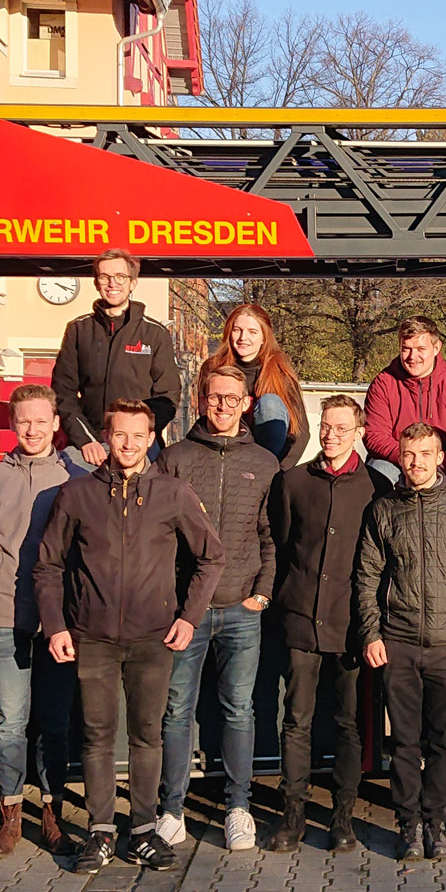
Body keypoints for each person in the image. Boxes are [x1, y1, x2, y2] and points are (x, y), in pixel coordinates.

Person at [38, 401, 224, 874]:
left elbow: (211, 559)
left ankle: (142, 830)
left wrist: (188, 618)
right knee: (97, 736)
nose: (128, 444)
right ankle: (100, 831)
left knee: (147, 735)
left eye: (137, 436)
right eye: (119, 434)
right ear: (106, 435)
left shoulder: (174, 494)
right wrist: (56, 625)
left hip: (153, 638)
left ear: (152, 437)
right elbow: (48, 565)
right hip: (92, 637)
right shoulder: (76, 494)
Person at [154, 365, 279, 853]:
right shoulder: (174, 458)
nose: (223, 405)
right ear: (201, 400)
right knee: (176, 710)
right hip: (185, 611)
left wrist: (262, 594)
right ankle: (171, 810)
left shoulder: (265, 463)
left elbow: (271, 537)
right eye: (214, 397)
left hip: (242, 608)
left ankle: (238, 807)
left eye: (232, 398)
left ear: (246, 403)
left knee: (239, 710)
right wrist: (172, 603)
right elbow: (158, 536)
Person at [354, 422, 446, 862]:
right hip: (399, 644)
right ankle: (408, 825)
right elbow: (367, 578)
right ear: (400, 456)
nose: (416, 462)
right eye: (409, 454)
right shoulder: (383, 510)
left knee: (442, 743)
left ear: (439, 458)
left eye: (425, 454)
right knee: (406, 743)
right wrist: (371, 633)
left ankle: (437, 824)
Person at [0, 383, 77, 857]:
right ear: (14, 425)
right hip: (6, 617)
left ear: (56, 423)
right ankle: (11, 814)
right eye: (23, 421)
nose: (32, 429)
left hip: (60, 624)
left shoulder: (78, 477)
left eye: (41, 420)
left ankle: (51, 812)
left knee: (54, 723)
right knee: (10, 723)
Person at [262, 394, 376, 853]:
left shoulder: (375, 489)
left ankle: (343, 817)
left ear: (359, 433)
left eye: (342, 429)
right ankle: (293, 815)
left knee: (347, 723)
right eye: (326, 426)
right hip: (300, 619)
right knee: (297, 721)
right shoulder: (292, 483)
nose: (331, 436)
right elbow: (283, 545)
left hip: (349, 624)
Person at [51, 248, 181, 464]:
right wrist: (85, 440)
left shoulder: (154, 333)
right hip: (92, 445)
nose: (113, 284)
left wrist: (136, 436)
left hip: (141, 446)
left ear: (132, 282)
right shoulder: (78, 330)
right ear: (96, 282)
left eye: (120, 277)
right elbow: (62, 393)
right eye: (105, 277)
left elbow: (168, 396)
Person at [363, 318, 446, 488]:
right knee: (377, 471)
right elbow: (374, 435)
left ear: (436, 348)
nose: (413, 357)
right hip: (399, 464)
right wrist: (408, 459)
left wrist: (437, 463)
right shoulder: (384, 383)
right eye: (406, 349)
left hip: (444, 465)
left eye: (421, 349)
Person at [200, 302, 308, 464]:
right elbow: (204, 416)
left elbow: (301, 432)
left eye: (252, 332)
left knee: (269, 403)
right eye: (237, 330)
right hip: (225, 451)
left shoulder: (279, 371)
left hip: (266, 460)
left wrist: (281, 471)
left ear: (264, 337)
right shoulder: (213, 367)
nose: (243, 338)